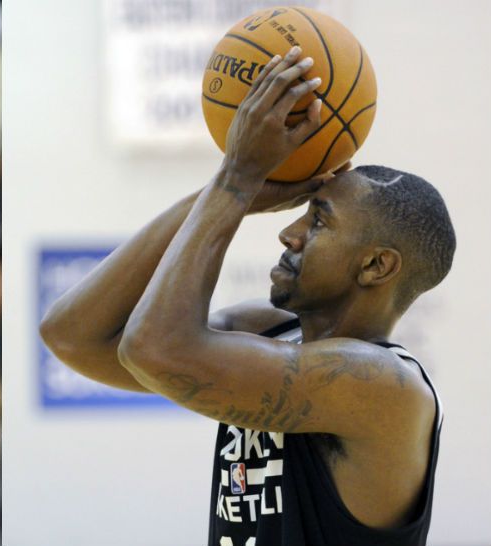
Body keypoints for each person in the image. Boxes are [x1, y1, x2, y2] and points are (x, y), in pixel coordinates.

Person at [40, 46, 454, 546]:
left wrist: (236, 182)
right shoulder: (269, 332)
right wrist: (221, 192)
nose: (290, 231)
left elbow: (153, 346)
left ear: (375, 265)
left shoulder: (385, 386)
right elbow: (69, 335)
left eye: (319, 219)